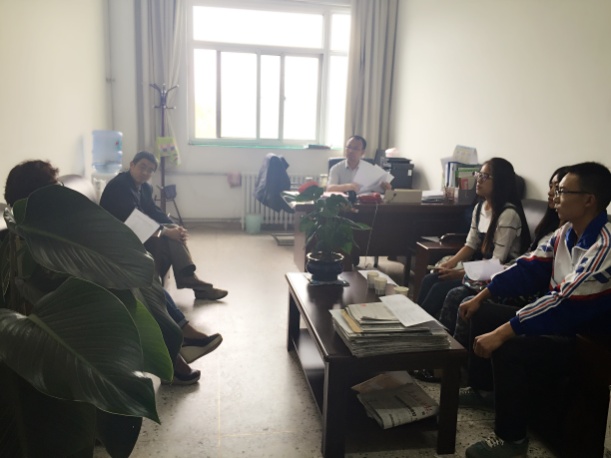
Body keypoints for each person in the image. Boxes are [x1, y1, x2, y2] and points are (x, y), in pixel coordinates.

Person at [4, 159, 220, 386]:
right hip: (70, 294)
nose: (63, 192)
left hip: (91, 272)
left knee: (138, 271)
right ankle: (177, 346)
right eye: (56, 187)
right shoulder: (27, 237)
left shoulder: (55, 220)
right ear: (38, 196)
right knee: (131, 281)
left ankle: (179, 338)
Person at [461, 162, 611, 457]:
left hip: (585, 338)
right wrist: (484, 294)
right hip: (560, 321)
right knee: (483, 312)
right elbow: (527, 267)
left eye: (563, 191)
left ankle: (512, 440)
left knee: (508, 343)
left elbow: (565, 302)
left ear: (588, 200)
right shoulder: (565, 232)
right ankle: (483, 390)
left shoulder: (605, 246)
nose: (555, 197)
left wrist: (504, 332)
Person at [100, 151, 227, 301]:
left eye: (150, 170)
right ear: (132, 165)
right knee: (167, 236)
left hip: (132, 229)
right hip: (116, 235)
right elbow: (134, 219)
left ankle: (189, 278)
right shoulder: (120, 185)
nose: (145, 172)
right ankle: (189, 279)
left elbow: (153, 211)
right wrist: (166, 231)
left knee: (172, 232)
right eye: (142, 167)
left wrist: (174, 227)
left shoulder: (145, 187)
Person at [418, 158, 530, 321]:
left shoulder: (508, 215)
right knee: (430, 279)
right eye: (479, 174)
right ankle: (414, 322)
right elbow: (470, 244)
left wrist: (458, 274)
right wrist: (450, 263)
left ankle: (424, 327)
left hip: (498, 274)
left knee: (440, 289)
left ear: (500, 182)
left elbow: (497, 262)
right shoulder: (480, 208)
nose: (478, 180)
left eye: (485, 176)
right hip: (480, 268)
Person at [326, 136, 393, 194]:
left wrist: (386, 189)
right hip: (344, 202)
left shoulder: (370, 169)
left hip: (365, 202)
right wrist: (349, 186)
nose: (350, 151)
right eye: (348, 147)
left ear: (362, 152)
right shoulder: (336, 168)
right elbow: (329, 189)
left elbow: (379, 190)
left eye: (355, 148)